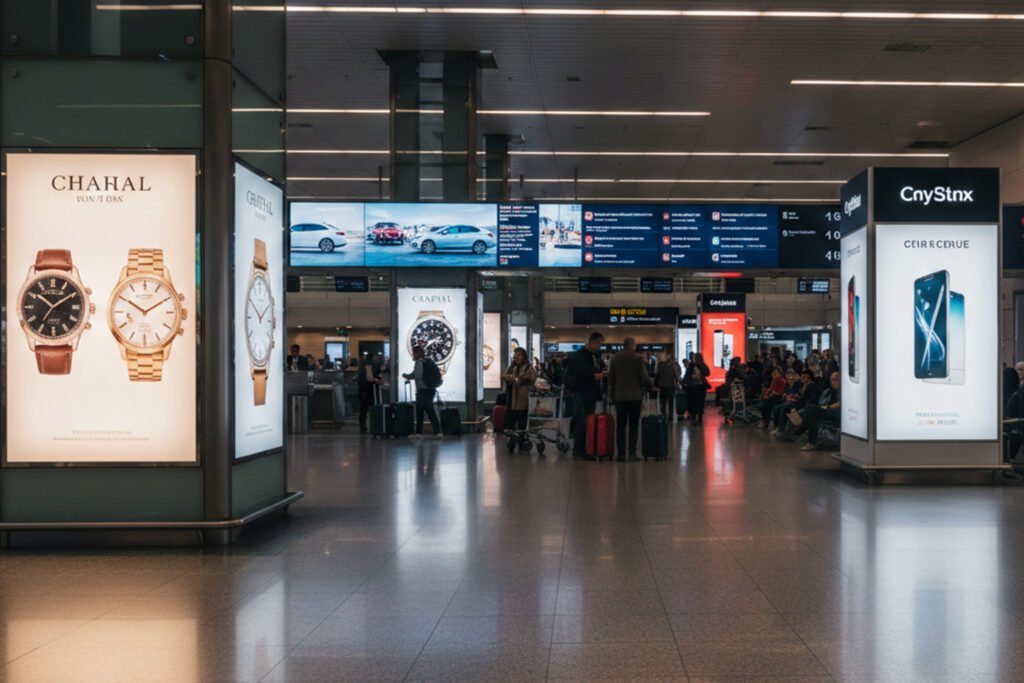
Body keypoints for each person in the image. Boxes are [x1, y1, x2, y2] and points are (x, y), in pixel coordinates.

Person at [563, 331, 607, 460]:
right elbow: (583, 375)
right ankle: (580, 449)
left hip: (587, 393)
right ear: (592, 342)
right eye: (599, 343)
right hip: (582, 393)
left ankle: (581, 448)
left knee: (585, 421)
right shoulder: (581, 357)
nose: (600, 346)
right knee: (583, 421)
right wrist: (596, 376)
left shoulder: (591, 356)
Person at [608, 337, 653, 461]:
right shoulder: (637, 358)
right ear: (633, 345)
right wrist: (651, 385)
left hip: (620, 396)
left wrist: (613, 393)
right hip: (635, 396)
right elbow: (644, 377)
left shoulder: (615, 358)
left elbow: (611, 378)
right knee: (633, 425)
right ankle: (632, 453)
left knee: (621, 425)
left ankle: (621, 453)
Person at [790, 371, 841, 450]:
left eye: (836, 380)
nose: (833, 382)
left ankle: (800, 432)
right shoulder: (831, 391)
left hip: (840, 413)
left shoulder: (845, 390)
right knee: (811, 411)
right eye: (832, 380)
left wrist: (833, 405)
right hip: (830, 410)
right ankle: (807, 438)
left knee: (812, 411)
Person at [402, 345, 442, 439]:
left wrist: (408, 376)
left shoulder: (419, 362)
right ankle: (437, 432)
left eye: (414, 352)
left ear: (417, 353)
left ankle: (419, 433)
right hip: (430, 389)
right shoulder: (426, 362)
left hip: (423, 390)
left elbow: (418, 375)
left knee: (420, 411)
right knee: (429, 410)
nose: (413, 354)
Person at [503, 347, 536, 435]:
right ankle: (511, 438)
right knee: (510, 421)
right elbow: (505, 376)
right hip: (511, 399)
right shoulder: (512, 367)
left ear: (523, 356)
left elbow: (532, 379)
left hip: (523, 400)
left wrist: (519, 380)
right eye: (515, 355)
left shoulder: (528, 367)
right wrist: (509, 378)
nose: (516, 357)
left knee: (522, 421)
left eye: (518, 355)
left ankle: (521, 438)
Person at [357, 354, 382, 433]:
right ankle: (372, 425)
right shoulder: (369, 366)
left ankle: (363, 426)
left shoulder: (364, 365)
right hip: (368, 390)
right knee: (368, 408)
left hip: (364, 389)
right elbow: (370, 378)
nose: (377, 360)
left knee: (363, 409)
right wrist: (376, 380)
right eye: (376, 358)